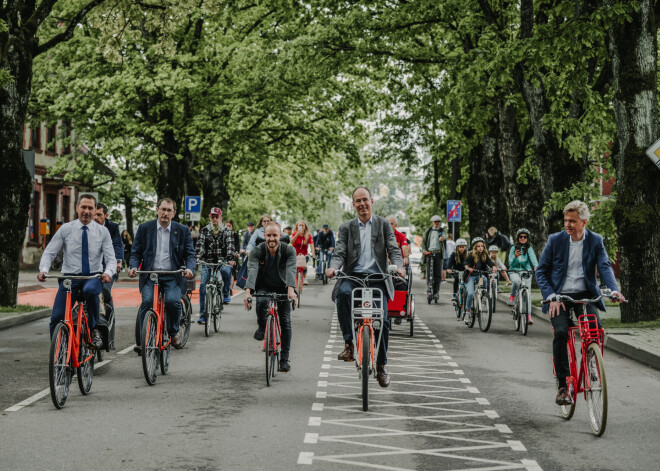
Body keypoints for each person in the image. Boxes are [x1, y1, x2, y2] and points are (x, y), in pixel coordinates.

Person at [535, 200, 625, 405]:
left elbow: (604, 267)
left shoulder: (595, 240)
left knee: (595, 330)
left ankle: (592, 364)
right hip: (559, 296)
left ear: (584, 222)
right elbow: (541, 272)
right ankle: (562, 387)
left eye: (572, 221)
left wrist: (613, 290)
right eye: (566, 220)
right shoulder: (555, 240)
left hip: (584, 294)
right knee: (560, 332)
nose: (567, 224)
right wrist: (550, 296)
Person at [326, 187, 405, 388]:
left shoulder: (383, 225)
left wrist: (400, 266)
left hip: (378, 276)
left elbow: (394, 249)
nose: (362, 204)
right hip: (353, 275)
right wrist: (333, 267)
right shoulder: (346, 227)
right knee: (342, 294)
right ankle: (349, 345)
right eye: (358, 201)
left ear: (372, 201)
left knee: (384, 321)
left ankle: (381, 366)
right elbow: (339, 252)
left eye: (365, 200)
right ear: (353, 204)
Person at [37, 194, 116, 346]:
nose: (86, 211)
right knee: (57, 317)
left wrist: (108, 272)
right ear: (77, 208)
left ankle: (94, 328)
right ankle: (59, 351)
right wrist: (44, 269)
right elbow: (49, 252)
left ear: (94, 211)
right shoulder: (66, 229)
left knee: (91, 291)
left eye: (90, 208)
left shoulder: (102, 232)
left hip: (93, 277)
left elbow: (111, 258)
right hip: (70, 279)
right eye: (83, 207)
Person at [128, 198, 195, 352]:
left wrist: (190, 269)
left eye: (168, 210)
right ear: (157, 210)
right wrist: (133, 267)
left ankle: (173, 332)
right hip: (150, 275)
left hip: (172, 275)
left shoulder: (182, 230)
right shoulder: (145, 228)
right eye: (163, 209)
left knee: (172, 302)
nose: (165, 213)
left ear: (174, 213)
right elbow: (136, 253)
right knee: (148, 301)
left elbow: (190, 254)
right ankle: (142, 341)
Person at [243, 221, 297, 372]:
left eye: (275, 235)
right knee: (261, 303)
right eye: (269, 235)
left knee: (285, 321)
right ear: (264, 236)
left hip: (284, 287)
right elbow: (252, 270)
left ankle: (284, 359)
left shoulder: (288, 250)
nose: (272, 238)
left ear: (280, 236)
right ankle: (262, 327)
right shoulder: (257, 250)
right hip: (263, 286)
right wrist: (248, 292)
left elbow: (291, 269)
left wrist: (291, 290)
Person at [196, 207, 236, 324]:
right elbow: (200, 245)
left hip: (222, 260)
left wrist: (230, 258)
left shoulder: (227, 231)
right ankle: (203, 314)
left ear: (220, 218)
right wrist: (199, 255)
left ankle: (225, 291)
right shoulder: (204, 230)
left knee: (226, 271)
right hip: (207, 260)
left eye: (216, 217)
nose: (214, 219)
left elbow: (230, 245)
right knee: (203, 285)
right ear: (209, 217)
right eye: (212, 216)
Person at [93, 203, 124, 312]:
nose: (95, 217)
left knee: (104, 291)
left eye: (99, 214)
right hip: (92, 264)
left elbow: (117, 244)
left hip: (108, 264)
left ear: (106, 215)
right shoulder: (88, 226)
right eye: (94, 214)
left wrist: (118, 262)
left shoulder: (113, 227)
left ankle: (110, 316)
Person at [507, 229, 538, 326]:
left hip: (526, 272)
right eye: (521, 237)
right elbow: (510, 263)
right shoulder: (513, 248)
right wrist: (515, 256)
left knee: (527, 295)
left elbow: (533, 258)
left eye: (525, 237)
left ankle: (528, 316)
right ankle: (512, 296)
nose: (523, 238)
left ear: (527, 238)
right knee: (516, 281)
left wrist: (536, 267)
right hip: (514, 271)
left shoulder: (529, 248)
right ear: (518, 237)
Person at [463, 237, 497, 325]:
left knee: (485, 280)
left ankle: (483, 296)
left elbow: (489, 262)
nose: (480, 248)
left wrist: (493, 266)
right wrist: (468, 268)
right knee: (470, 293)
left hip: (479, 275)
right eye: (478, 246)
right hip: (471, 276)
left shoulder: (484, 255)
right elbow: (465, 263)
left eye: (482, 246)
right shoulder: (471, 255)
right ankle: (467, 313)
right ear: (475, 247)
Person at [421, 215, 446, 301]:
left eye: (438, 222)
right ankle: (429, 289)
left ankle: (436, 292)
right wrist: (424, 250)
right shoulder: (428, 231)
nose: (437, 223)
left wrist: (443, 238)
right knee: (429, 274)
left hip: (438, 254)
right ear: (433, 222)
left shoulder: (442, 230)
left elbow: (445, 235)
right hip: (429, 254)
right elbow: (423, 243)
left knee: (438, 275)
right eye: (435, 222)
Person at [291, 220, 315, 285]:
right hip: (295, 254)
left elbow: (312, 244)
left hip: (304, 255)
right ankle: (293, 279)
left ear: (305, 227)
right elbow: (291, 242)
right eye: (299, 225)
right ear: (297, 227)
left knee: (304, 266)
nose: (301, 226)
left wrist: (313, 253)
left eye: (302, 225)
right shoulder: (294, 234)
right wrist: (297, 235)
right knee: (294, 268)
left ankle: (304, 278)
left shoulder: (308, 235)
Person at [225, 219, 240, 289]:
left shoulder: (235, 235)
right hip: (225, 255)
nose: (228, 227)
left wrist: (237, 253)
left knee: (232, 271)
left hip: (233, 255)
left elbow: (237, 245)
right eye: (226, 225)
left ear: (232, 227)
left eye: (229, 226)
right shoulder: (223, 234)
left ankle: (230, 288)